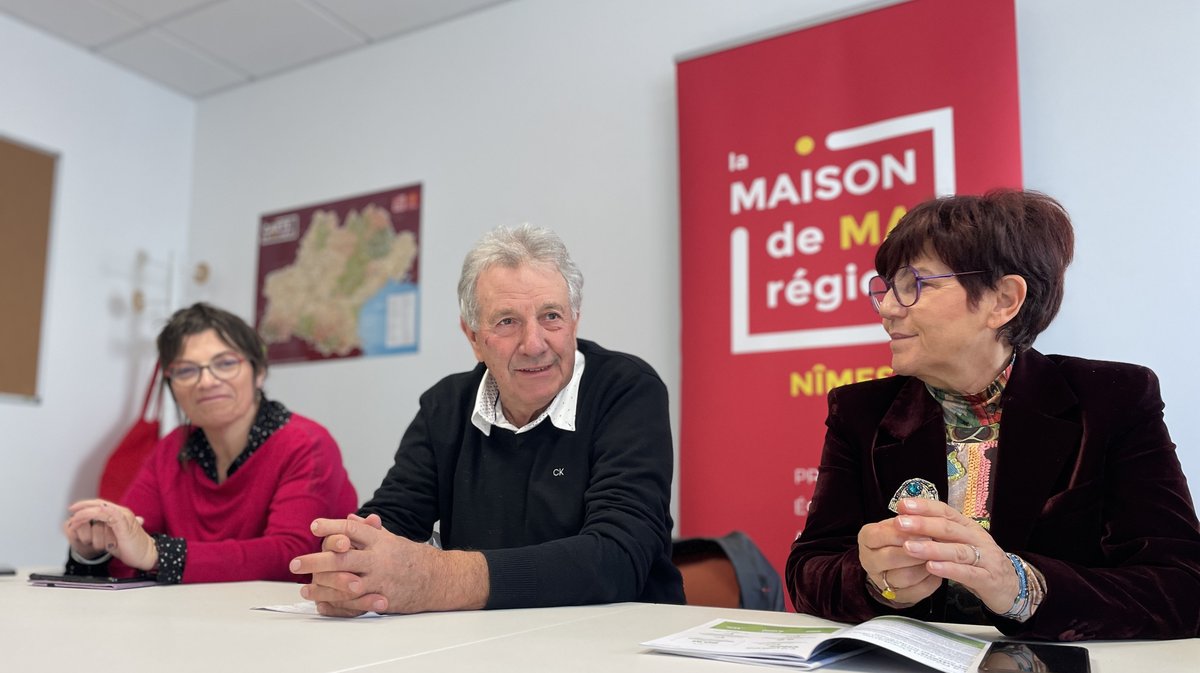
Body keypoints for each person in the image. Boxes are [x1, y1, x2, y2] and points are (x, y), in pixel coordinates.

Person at [786, 190, 1200, 640]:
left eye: (914, 285)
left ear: (1003, 300)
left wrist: (1019, 586)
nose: (887, 309)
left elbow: (1182, 587)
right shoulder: (860, 411)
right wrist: (873, 581)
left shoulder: (1111, 400)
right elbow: (809, 569)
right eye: (887, 287)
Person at [290, 224, 684, 615]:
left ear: (575, 322)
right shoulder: (445, 405)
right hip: (483, 643)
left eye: (551, 316)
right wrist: (351, 564)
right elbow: (391, 520)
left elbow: (619, 558)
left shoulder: (628, 389)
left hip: (618, 639)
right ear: (473, 337)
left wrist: (439, 578)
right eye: (507, 322)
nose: (534, 344)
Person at [62, 303, 358, 583]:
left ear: (259, 372)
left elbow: (292, 557)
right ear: (172, 386)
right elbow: (129, 555)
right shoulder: (170, 451)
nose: (206, 382)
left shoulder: (306, 443)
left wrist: (160, 555)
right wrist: (94, 549)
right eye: (186, 370)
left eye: (225, 363)